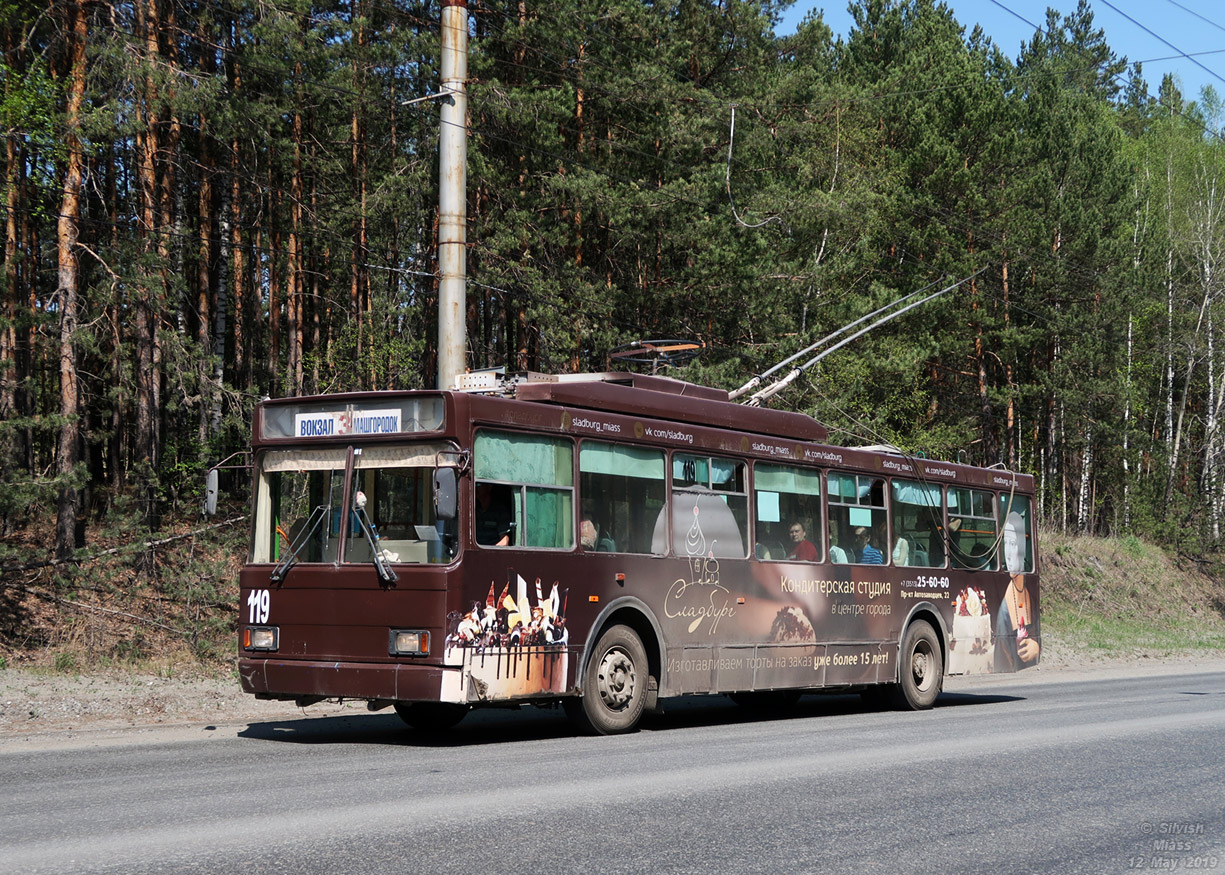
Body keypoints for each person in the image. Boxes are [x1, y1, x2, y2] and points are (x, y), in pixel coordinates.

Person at [995, 511, 1040, 671]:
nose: (1007, 554)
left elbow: (1034, 631)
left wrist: (1036, 646)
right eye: (1005, 543)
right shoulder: (1004, 607)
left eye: (1013, 544)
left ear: (1022, 547)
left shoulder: (1029, 592)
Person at [475, 482, 513, 546]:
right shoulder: (470, 508)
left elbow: (504, 541)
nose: (476, 488)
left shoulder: (500, 510)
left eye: (479, 485)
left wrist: (490, 551)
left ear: (489, 487)